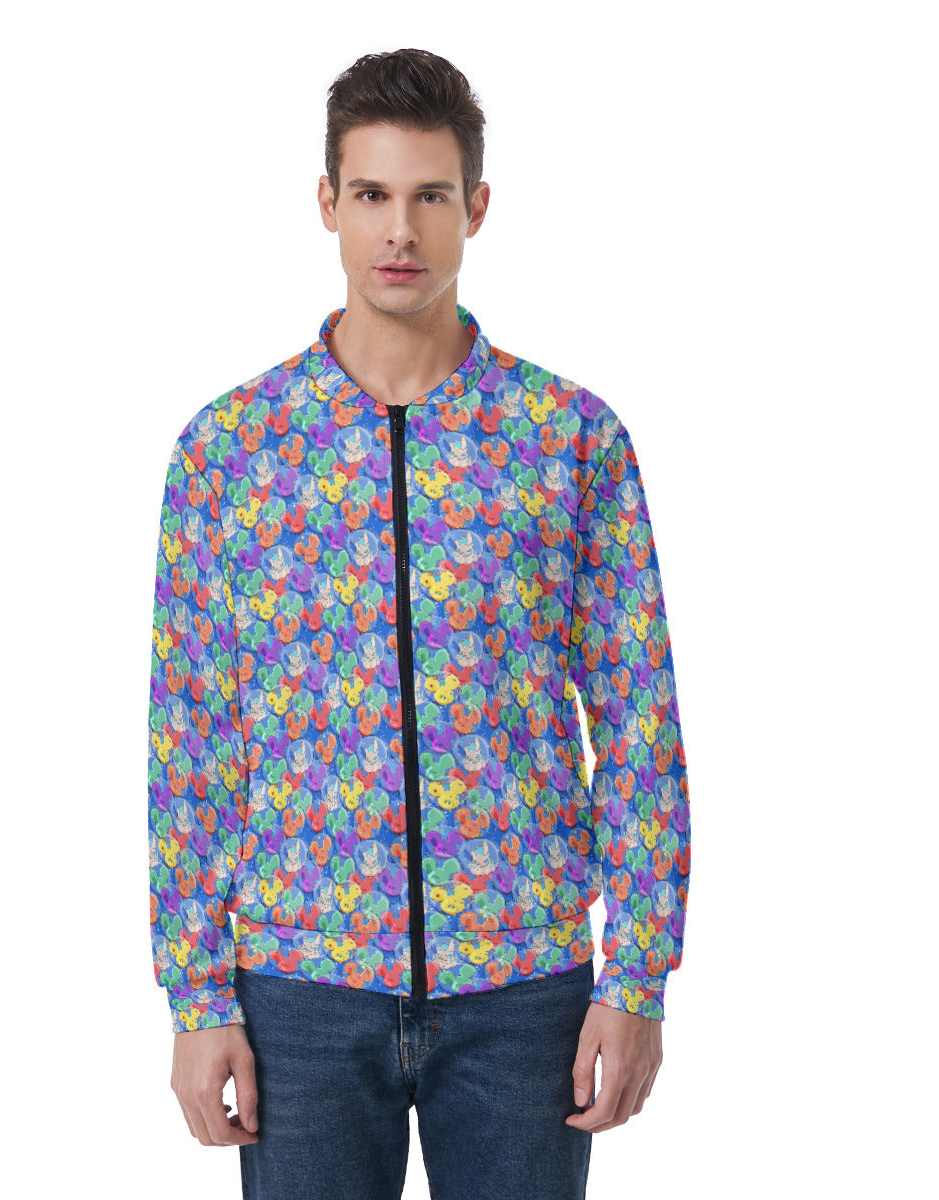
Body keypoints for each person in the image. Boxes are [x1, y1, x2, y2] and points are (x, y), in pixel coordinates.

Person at [147, 47, 692, 1200]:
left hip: (523, 992)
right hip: (297, 990)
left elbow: (638, 717)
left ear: (475, 207)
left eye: (430, 195)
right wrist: (197, 996)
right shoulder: (231, 451)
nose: (400, 230)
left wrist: (636, 977)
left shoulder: (568, 440)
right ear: (328, 203)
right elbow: (191, 736)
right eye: (373, 194)